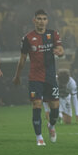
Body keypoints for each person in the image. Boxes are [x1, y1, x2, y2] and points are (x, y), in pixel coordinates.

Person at [12, 9, 64, 146]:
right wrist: (17, 75)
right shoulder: (27, 38)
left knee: (55, 108)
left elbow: (61, 50)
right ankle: (39, 137)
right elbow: (22, 59)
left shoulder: (53, 34)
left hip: (50, 77)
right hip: (35, 77)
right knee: (37, 104)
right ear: (34, 20)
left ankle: (51, 126)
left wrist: (60, 52)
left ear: (47, 21)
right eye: (39, 18)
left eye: (44, 19)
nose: (41, 21)